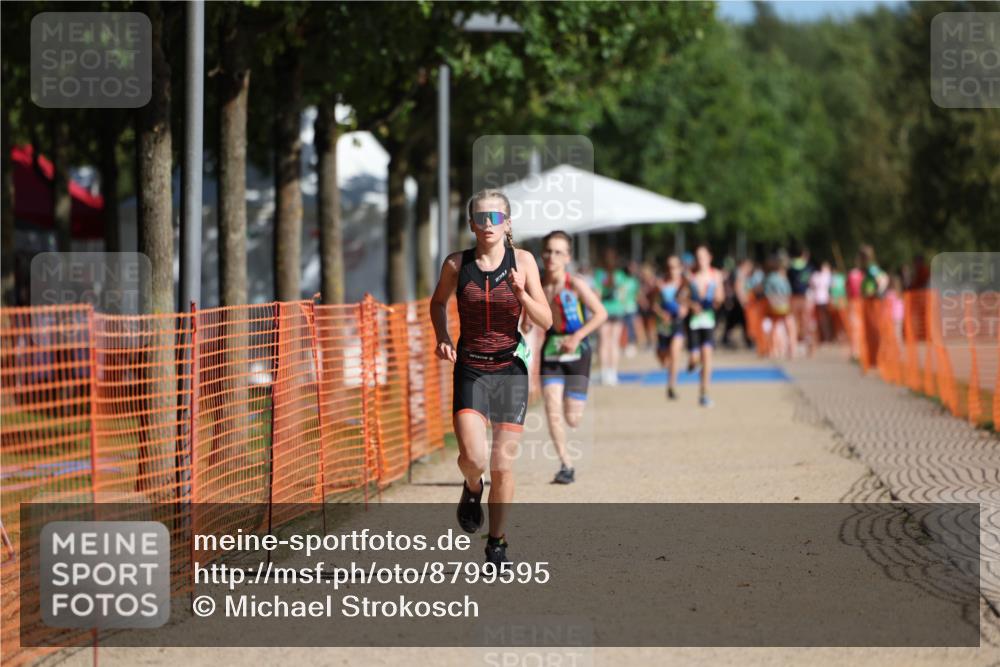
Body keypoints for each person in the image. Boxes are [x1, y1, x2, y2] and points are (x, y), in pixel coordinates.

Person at [429, 189, 552, 568]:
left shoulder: (525, 262)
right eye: (481, 218)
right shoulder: (455, 264)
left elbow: (546, 320)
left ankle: (496, 542)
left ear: (507, 223)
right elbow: (438, 303)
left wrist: (521, 294)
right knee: (473, 457)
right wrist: (443, 336)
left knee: (502, 465)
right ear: (471, 225)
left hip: (510, 369)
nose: (488, 224)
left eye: (496, 217)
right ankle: (471, 487)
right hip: (471, 368)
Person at [538, 231, 607, 484]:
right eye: (548, 251)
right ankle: (566, 464)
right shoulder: (537, 284)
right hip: (551, 351)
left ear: (567, 257)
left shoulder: (575, 284)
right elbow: (528, 317)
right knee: (551, 408)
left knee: (572, 418)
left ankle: (577, 400)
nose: (551, 257)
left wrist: (577, 336)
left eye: (558, 252)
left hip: (577, 352)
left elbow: (601, 314)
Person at [685, 245, 724, 407]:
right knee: (695, 358)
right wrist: (692, 305)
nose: (700, 260)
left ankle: (704, 393)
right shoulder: (690, 277)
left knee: (707, 358)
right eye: (698, 257)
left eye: (703, 257)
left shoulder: (716, 275)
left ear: (709, 257)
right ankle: (692, 364)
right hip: (694, 323)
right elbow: (682, 298)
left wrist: (716, 299)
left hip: (708, 321)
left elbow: (720, 297)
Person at [652, 255, 688, 400]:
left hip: (678, 324)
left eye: (674, 267)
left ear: (680, 268)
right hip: (663, 325)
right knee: (663, 358)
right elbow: (654, 305)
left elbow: (687, 304)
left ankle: (671, 386)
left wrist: (684, 310)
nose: (671, 270)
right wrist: (662, 314)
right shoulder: (661, 285)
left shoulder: (684, 285)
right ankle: (664, 360)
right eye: (669, 267)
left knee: (675, 353)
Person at [593, 248, 628, 386]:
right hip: (617, 310)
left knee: (603, 342)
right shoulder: (620, 275)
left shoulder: (599, 275)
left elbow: (597, 294)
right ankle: (613, 372)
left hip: (604, 310)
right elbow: (623, 295)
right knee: (614, 343)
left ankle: (603, 372)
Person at [810, 261, 833, 343]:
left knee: (826, 319)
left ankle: (827, 337)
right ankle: (822, 337)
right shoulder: (817, 276)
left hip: (824, 300)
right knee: (820, 320)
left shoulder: (826, 275)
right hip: (818, 300)